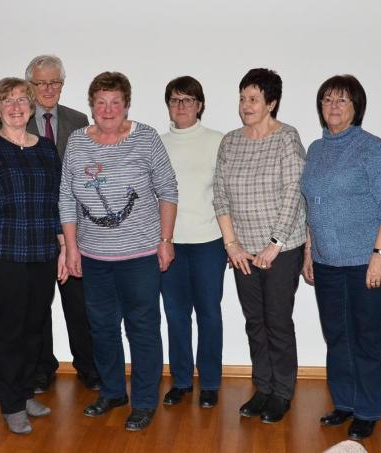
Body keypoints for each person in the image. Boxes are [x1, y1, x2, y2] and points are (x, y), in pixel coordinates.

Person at [59, 71, 178, 432]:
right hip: (94, 257)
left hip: (139, 256)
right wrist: (71, 248)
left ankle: (143, 402)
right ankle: (112, 392)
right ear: (91, 106)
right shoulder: (77, 142)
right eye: (101, 102)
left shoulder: (146, 138)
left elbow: (168, 190)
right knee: (102, 328)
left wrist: (166, 240)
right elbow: (66, 198)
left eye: (115, 102)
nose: (108, 109)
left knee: (142, 329)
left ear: (126, 105)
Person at [0, 77, 68, 435]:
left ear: (32, 106)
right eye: (8, 100)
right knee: (9, 330)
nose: (16, 106)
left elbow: (57, 206)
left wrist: (64, 249)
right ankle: (11, 405)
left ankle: (25, 393)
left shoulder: (46, 149)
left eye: (22, 99)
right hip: (3, 255)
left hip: (43, 253)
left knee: (35, 327)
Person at [300, 75, 381, 440]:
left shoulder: (372, 148)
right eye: (327, 100)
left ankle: (368, 409)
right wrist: (309, 251)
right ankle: (344, 402)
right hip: (326, 261)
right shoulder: (315, 148)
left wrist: (380, 255)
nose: (334, 106)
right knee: (337, 335)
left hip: (366, 261)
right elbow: (311, 206)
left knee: (367, 337)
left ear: (356, 107)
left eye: (342, 100)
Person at [0, 54, 98, 393]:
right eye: (40, 83)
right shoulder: (14, 120)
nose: (48, 89)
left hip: (73, 228)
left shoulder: (79, 120)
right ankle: (42, 368)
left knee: (79, 302)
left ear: (62, 85)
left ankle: (88, 366)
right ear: (30, 85)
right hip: (32, 230)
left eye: (55, 82)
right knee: (37, 306)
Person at [213, 68, 306, 424]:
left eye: (254, 99)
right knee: (255, 321)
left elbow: (293, 193)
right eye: (242, 98)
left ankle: (282, 392)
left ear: (271, 103)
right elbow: (220, 195)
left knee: (277, 320)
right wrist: (232, 245)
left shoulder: (286, 138)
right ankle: (263, 387)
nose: (246, 105)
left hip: (282, 249)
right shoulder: (230, 142)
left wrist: (274, 244)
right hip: (242, 252)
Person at [159, 76, 226, 409]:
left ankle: (210, 382)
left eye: (188, 100)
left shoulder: (218, 141)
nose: (181, 106)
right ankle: (182, 381)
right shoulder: (157, 144)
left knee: (209, 314)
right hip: (169, 243)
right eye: (175, 100)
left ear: (200, 105)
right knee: (175, 315)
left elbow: (227, 194)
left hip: (209, 242)